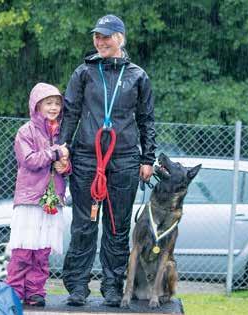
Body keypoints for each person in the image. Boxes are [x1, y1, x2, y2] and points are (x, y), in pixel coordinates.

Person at [59, 15, 156, 307]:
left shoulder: (138, 76)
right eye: (96, 37)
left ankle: (112, 287)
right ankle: (77, 285)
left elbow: (146, 119)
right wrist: (62, 147)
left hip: (124, 158)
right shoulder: (84, 73)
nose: (100, 41)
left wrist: (148, 157)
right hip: (88, 158)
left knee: (117, 226)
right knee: (83, 225)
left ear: (120, 38)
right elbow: (71, 111)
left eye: (106, 36)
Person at [6, 82, 70, 307]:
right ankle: (14, 292)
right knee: (24, 249)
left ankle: (35, 292)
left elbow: (65, 161)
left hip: (52, 199)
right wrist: (55, 152)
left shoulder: (63, 131)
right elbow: (30, 160)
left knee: (42, 251)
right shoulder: (26, 131)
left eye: (57, 103)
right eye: (48, 103)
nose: (53, 107)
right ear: (37, 105)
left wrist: (66, 166)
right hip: (30, 199)